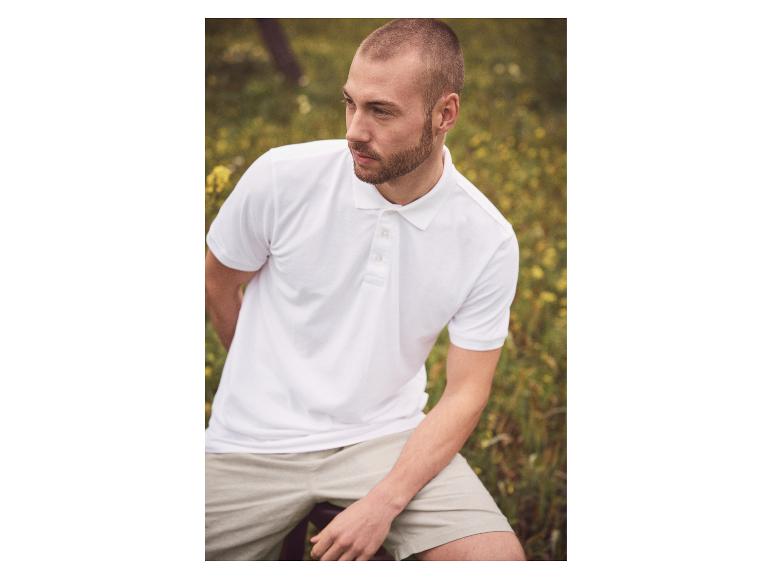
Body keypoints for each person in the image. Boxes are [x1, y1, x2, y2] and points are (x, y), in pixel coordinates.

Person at [205, 18, 525, 561]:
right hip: (250, 441)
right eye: (350, 103)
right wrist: (261, 376)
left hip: (387, 440)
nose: (355, 129)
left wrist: (385, 501)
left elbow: (467, 392)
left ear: (445, 114)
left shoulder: (487, 238)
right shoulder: (282, 177)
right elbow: (218, 280)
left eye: (381, 111)